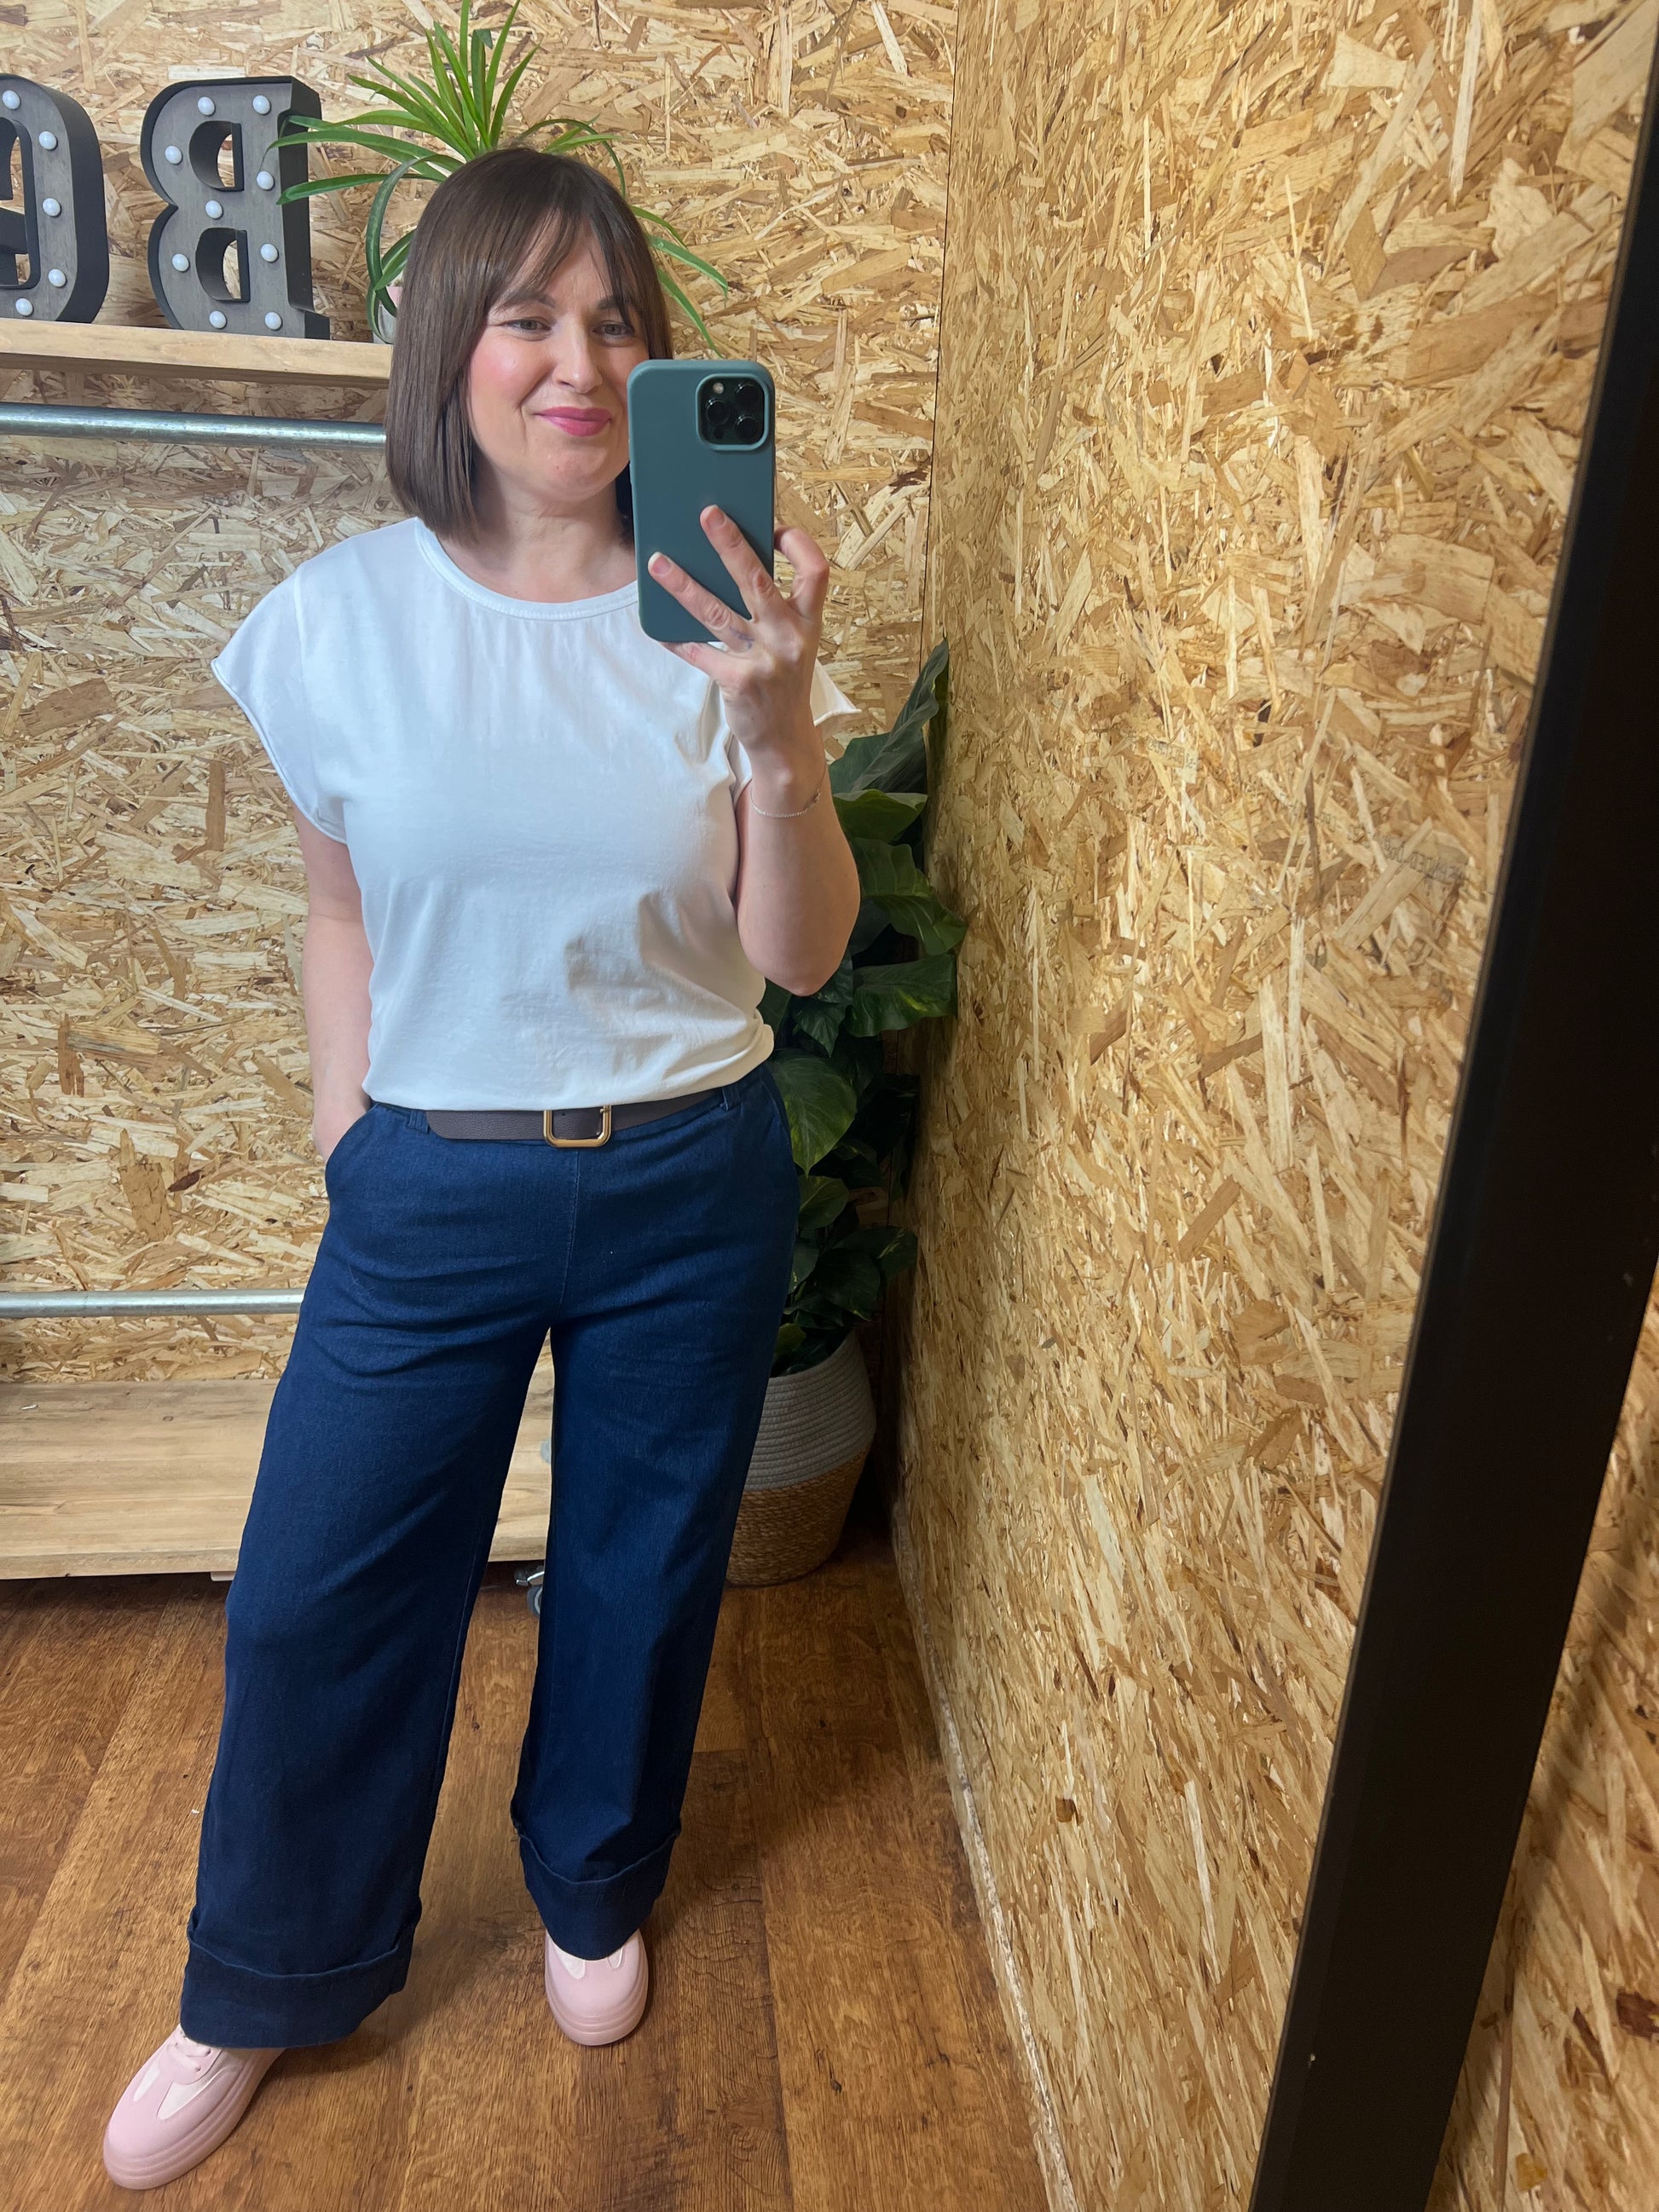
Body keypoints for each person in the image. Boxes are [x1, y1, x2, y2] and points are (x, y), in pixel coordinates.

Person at [101, 143, 863, 2192]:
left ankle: (592, 1887)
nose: (577, 362)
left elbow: (798, 955)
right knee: (319, 1590)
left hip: (691, 1175)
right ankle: (261, 1977)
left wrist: (777, 733)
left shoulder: (722, 618)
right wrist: (348, 1126)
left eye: (616, 321)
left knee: (639, 1560)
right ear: (450, 341)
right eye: (529, 315)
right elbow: (335, 907)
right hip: (427, 1183)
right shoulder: (332, 627)